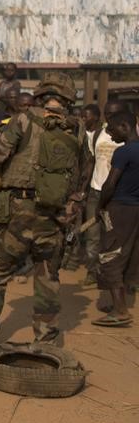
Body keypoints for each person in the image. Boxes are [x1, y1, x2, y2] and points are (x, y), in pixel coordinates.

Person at [0, 72, 92, 349]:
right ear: (67, 98)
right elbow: (86, 170)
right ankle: (46, 339)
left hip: (17, 210)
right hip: (54, 215)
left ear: (40, 94)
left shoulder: (24, 119)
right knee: (47, 277)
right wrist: (74, 203)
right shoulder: (78, 128)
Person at [92, 111, 139, 326]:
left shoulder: (123, 152)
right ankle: (121, 302)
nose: (110, 136)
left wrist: (100, 207)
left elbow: (110, 184)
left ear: (124, 126)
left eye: (112, 130)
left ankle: (120, 311)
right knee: (129, 255)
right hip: (136, 210)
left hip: (119, 209)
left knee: (110, 255)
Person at [82, 102, 127, 287]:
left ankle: (117, 276)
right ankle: (93, 272)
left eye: (114, 114)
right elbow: (91, 162)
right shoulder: (98, 135)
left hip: (117, 194)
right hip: (95, 191)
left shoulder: (126, 136)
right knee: (92, 235)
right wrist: (83, 188)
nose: (110, 117)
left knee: (114, 236)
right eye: (107, 114)